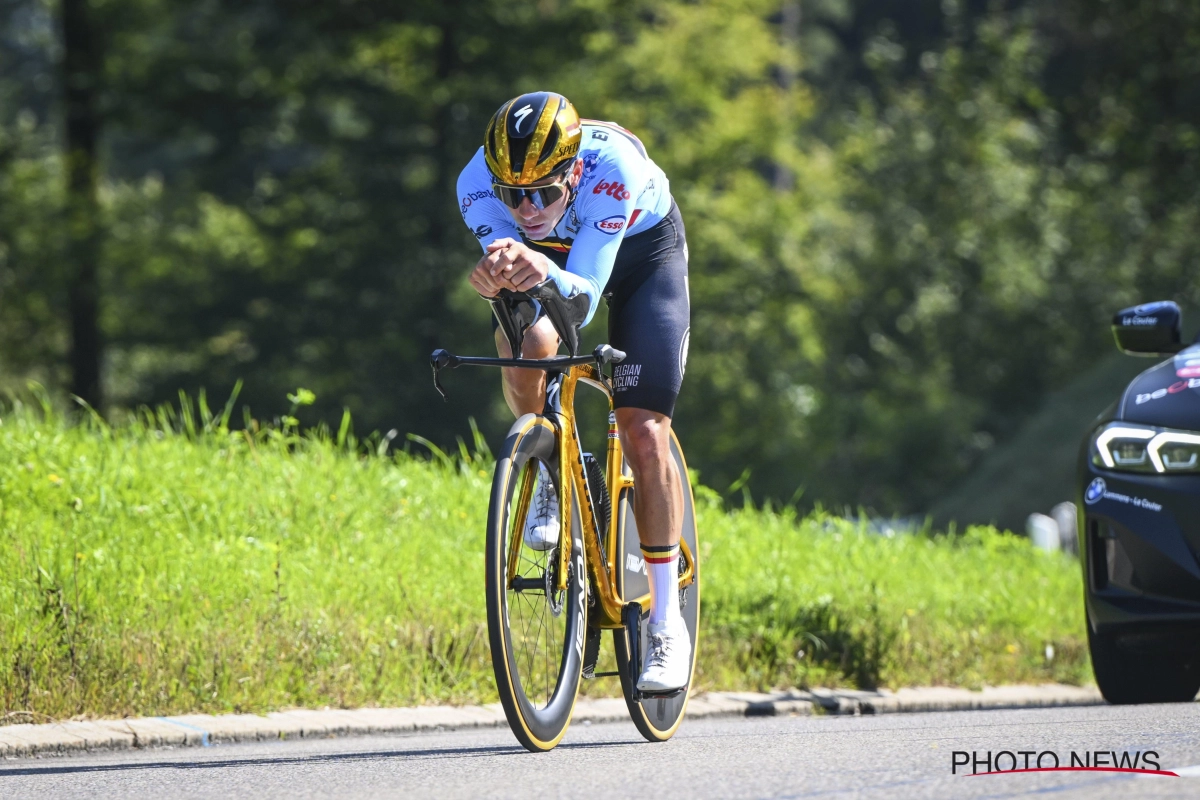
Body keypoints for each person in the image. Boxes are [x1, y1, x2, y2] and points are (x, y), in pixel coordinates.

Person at [457, 91, 692, 692]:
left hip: (640, 256)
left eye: (544, 193)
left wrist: (538, 267)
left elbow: (582, 295)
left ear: (576, 172)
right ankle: (547, 473)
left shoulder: (613, 173)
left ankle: (665, 622)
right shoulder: (476, 184)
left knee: (643, 429)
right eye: (515, 196)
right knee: (522, 341)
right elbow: (522, 293)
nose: (528, 209)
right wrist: (495, 278)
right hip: (556, 259)